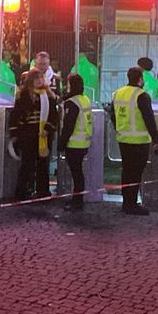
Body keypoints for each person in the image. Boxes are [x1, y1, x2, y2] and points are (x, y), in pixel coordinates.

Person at [111, 66, 158, 215]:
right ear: (140, 79)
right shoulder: (142, 95)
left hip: (123, 138)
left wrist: (119, 128)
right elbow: (149, 119)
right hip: (139, 141)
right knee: (136, 173)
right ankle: (132, 204)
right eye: (143, 78)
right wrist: (156, 138)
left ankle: (126, 201)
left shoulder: (117, 93)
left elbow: (113, 115)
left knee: (126, 171)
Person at [10, 68, 60, 202]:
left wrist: (48, 129)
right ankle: (22, 192)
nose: (39, 81)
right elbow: (15, 115)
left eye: (41, 78)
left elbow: (53, 115)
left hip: (43, 134)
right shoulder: (23, 94)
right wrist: (15, 133)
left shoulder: (48, 95)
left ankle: (43, 191)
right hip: (28, 134)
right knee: (27, 164)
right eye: (36, 78)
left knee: (43, 164)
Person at [58, 73, 93, 211]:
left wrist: (61, 143)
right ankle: (77, 200)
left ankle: (77, 201)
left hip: (74, 143)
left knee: (76, 174)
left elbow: (68, 126)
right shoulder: (84, 99)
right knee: (78, 173)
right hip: (84, 142)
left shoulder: (72, 103)